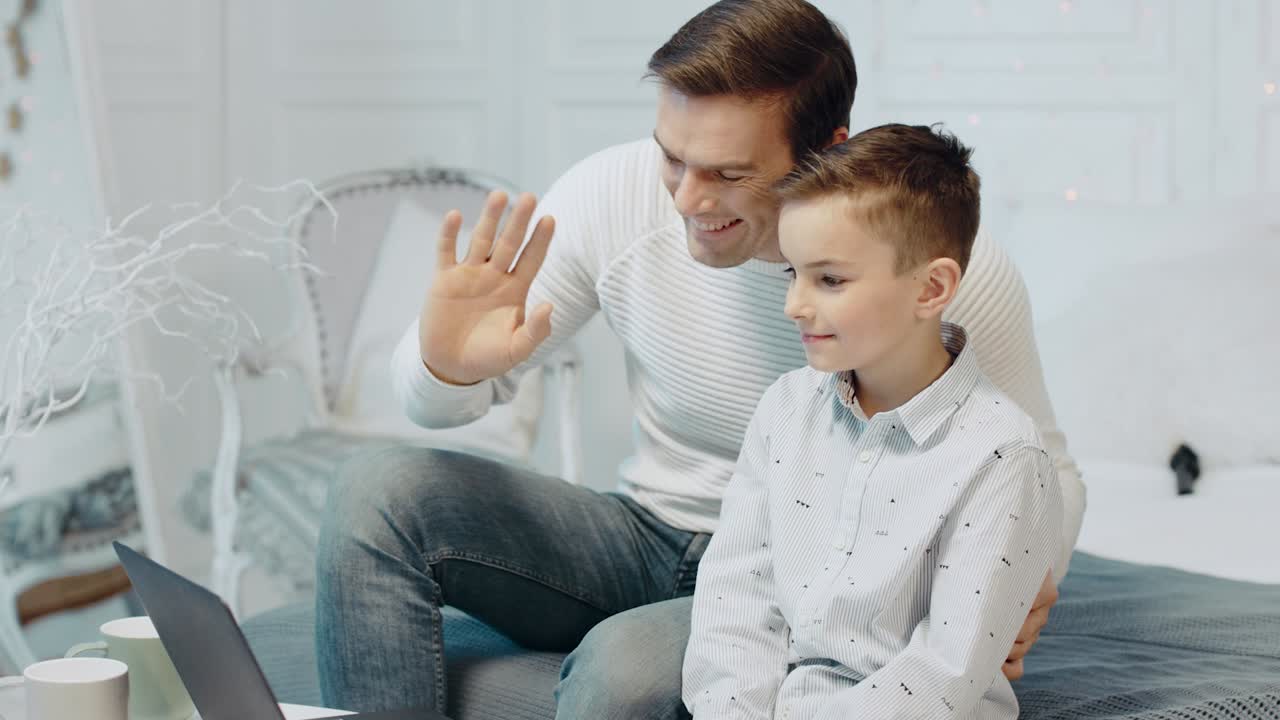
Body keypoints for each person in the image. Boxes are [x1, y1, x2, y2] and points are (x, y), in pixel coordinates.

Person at [315, 1, 1085, 716]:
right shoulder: (608, 198)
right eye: (673, 159)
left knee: (623, 672)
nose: (686, 199)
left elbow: (1040, 466)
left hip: (819, 569)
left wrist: (1024, 574)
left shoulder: (936, 268)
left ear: (827, 150)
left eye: (728, 174)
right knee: (375, 489)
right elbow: (438, 406)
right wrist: (447, 366)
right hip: (645, 531)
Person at [682, 123, 1061, 720]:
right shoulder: (785, 408)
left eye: (829, 280)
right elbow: (737, 598)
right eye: (793, 274)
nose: (795, 305)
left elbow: (945, 674)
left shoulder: (1002, 456)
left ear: (932, 287)